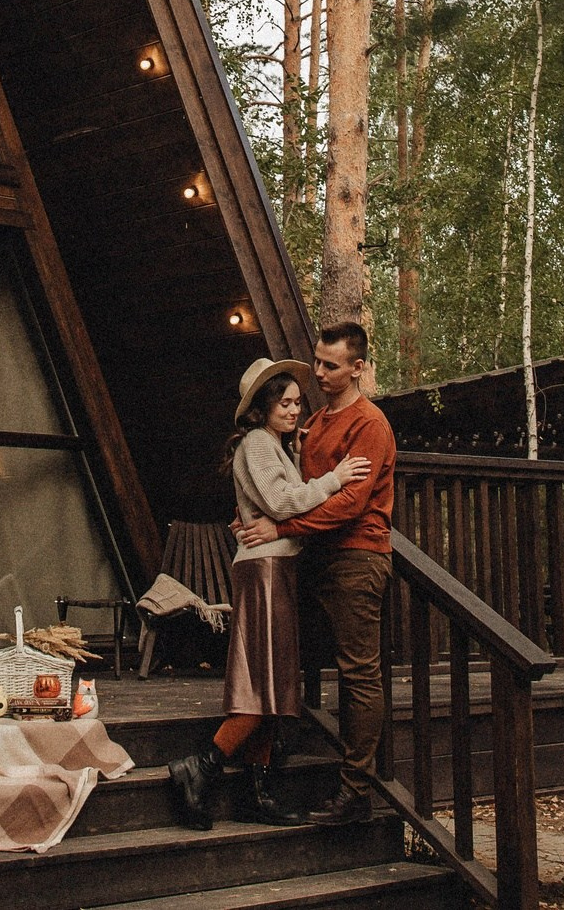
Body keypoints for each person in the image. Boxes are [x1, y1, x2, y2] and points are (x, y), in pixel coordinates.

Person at [167, 357, 371, 829]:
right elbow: (283, 501)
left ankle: (256, 792)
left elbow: (282, 498)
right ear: (261, 408)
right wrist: (334, 479)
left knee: (272, 687)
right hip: (264, 571)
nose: (294, 410)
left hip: (275, 567)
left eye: (298, 403)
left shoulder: (273, 447)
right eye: (284, 403)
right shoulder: (257, 444)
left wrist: (300, 458)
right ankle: (199, 766)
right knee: (263, 686)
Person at [234, 319, 395, 825]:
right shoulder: (317, 423)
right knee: (288, 662)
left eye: (330, 366)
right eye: (318, 363)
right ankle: (275, 760)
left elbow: (350, 502)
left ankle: (355, 792)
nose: (319, 374)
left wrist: (281, 529)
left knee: (357, 672)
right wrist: (255, 517)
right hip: (313, 558)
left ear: (358, 368)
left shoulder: (370, 424)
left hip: (357, 557)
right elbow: (286, 486)